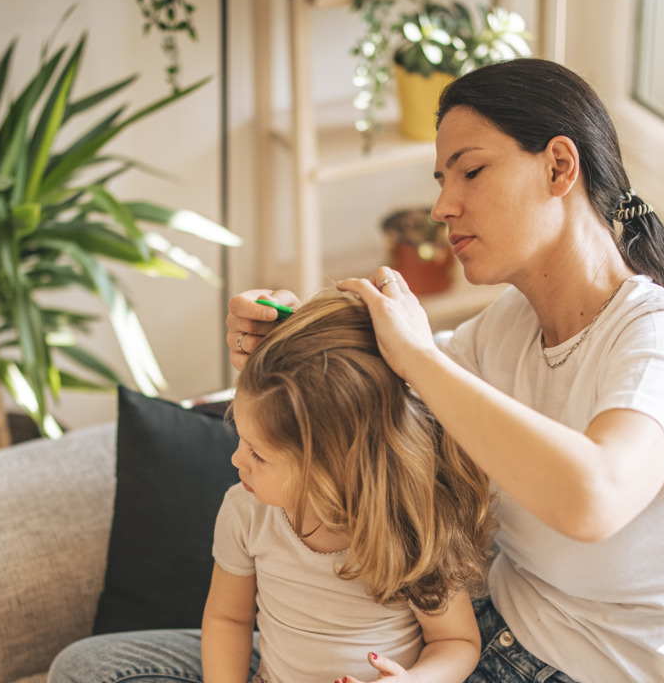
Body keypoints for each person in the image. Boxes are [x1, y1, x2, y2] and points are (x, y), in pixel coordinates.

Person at [229, 58, 664, 683]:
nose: (442, 206)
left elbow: (593, 497)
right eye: (440, 179)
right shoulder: (509, 326)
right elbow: (371, 406)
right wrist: (285, 349)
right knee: (106, 665)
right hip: (476, 629)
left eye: (471, 171)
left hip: (572, 669)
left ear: (560, 166)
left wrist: (422, 358)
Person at [206, 291, 494, 683]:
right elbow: (228, 618)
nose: (236, 460)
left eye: (258, 454)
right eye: (241, 438)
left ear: (334, 470)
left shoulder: (411, 528)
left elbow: (457, 642)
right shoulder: (245, 512)